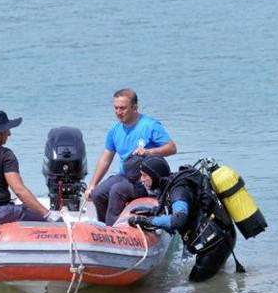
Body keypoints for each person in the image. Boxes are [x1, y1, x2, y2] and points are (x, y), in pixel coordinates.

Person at [128, 156, 237, 282]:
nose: (141, 179)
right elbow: (186, 209)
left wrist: (148, 221)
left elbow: (178, 220)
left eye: (144, 175)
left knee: (196, 285)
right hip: (220, 235)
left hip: (215, 244)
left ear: (154, 175)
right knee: (216, 280)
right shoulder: (172, 184)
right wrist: (153, 212)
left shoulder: (178, 190)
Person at [84, 88, 177, 226]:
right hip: (125, 175)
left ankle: (114, 232)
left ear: (135, 107)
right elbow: (105, 159)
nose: (118, 112)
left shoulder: (150, 125)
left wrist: (149, 152)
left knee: (117, 190)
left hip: (146, 180)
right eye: (116, 108)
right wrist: (92, 185)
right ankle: (103, 230)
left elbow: (172, 148)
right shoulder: (114, 130)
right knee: (98, 193)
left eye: (123, 108)